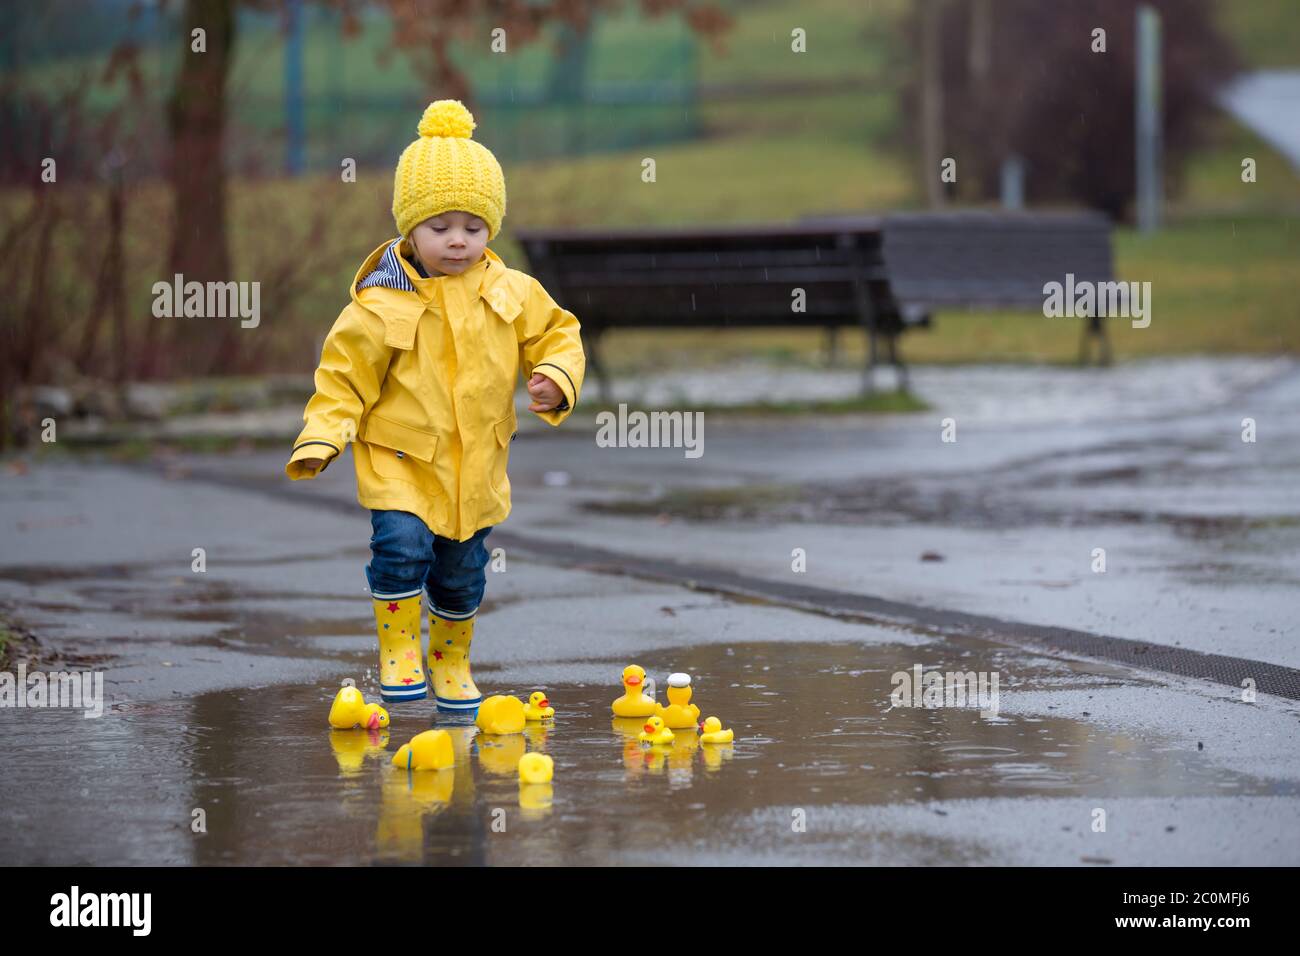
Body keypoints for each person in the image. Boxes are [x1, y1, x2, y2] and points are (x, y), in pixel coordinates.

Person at [285, 99, 585, 712]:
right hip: (399, 458)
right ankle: (399, 651)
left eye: (473, 228)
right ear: (410, 229)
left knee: (462, 570)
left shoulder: (511, 291)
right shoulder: (379, 305)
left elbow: (558, 333)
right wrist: (322, 435)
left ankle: (451, 661)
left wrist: (554, 374)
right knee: (401, 546)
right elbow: (342, 376)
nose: (457, 241)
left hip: (476, 466)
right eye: (441, 227)